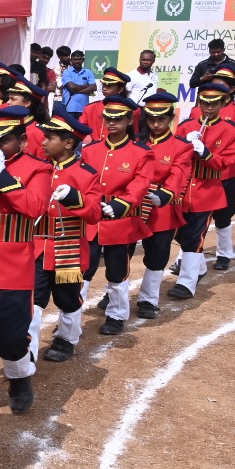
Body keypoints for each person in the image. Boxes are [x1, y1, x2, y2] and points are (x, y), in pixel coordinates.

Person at [0, 103, 52, 416]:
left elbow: (35, 206)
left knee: (11, 337)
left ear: (22, 141)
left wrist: (1, 176)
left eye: (3, 140)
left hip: (10, 269)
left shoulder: (37, 169)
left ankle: (19, 376)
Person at [29, 112, 102, 363]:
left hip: (68, 246)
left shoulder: (86, 174)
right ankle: (28, 349)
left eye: (50, 138)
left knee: (67, 298)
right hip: (38, 245)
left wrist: (73, 197)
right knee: (33, 299)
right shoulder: (39, 169)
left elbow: (94, 213)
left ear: (69, 143)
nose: (43, 142)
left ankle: (67, 339)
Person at [80, 96, 155, 336]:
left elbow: (141, 183)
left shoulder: (141, 152)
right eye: (108, 118)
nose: (111, 123)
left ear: (129, 120)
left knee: (116, 270)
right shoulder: (90, 151)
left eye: (118, 119)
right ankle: (71, 315)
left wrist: (124, 203)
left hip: (120, 220)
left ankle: (116, 315)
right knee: (82, 268)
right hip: (91, 218)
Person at [169, 80, 235, 301]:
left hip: (207, 190)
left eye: (214, 104)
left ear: (223, 104)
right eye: (204, 103)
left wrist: (206, 152)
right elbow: (172, 157)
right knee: (179, 234)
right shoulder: (186, 127)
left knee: (195, 235)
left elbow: (225, 163)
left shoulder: (230, 131)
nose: (208, 108)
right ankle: (200, 267)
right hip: (182, 189)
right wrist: (183, 145)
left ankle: (186, 282)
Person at [133, 91, 194, 318]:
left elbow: (178, 176)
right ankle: (114, 293)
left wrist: (165, 194)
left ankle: (148, 299)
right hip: (131, 205)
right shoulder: (136, 143)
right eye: (151, 119)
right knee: (120, 252)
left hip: (161, 206)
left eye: (161, 119)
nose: (156, 124)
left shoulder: (181, 146)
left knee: (157, 253)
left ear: (170, 118)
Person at [207, 65, 235, 271]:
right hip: (201, 169)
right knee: (195, 214)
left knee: (224, 214)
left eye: (222, 86)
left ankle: (224, 254)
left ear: (232, 89)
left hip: (227, 170)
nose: (216, 89)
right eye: (214, 84)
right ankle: (185, 257)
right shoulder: (199, 109)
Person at [60, 48, 96, 116]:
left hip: (83, 108)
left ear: (83, 60)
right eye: (75, 59)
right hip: (69, 107)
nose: (77, 61)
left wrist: (76, 90)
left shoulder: (88, 72)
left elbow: (94, 87)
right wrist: (87, 86)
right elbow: (71, 87)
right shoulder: (66, 72)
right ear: (71, 60)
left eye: (79, 59)